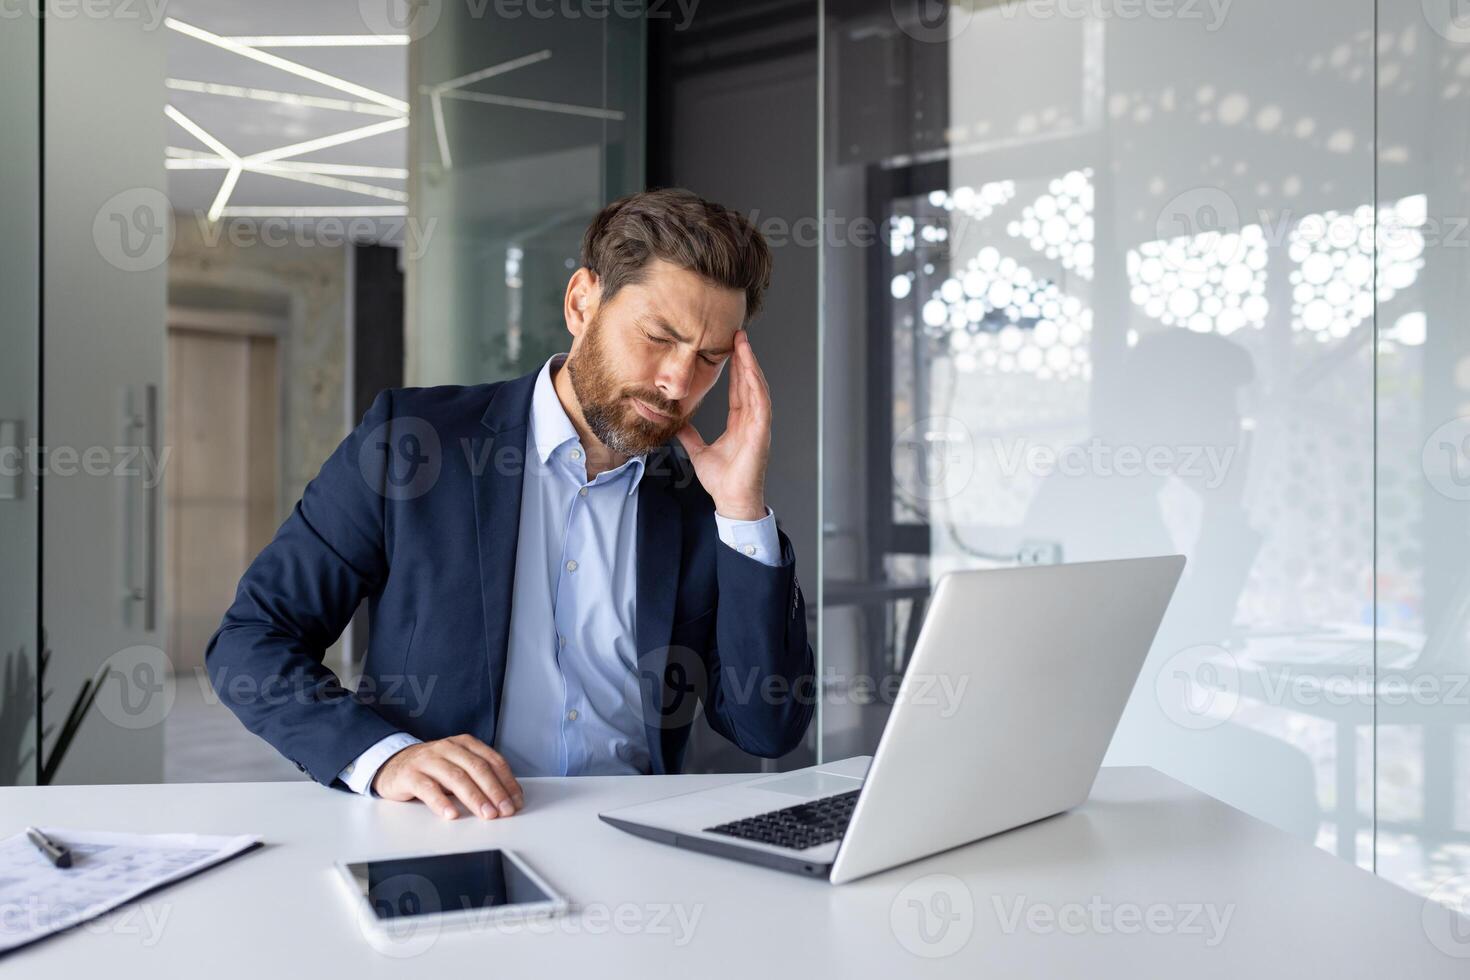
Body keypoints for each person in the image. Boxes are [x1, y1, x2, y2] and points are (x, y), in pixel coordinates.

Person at [206, 188, 815, 820]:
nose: (678, 382)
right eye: (660, 336)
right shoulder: (413, 442)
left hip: (638, 856)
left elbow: (766, 728)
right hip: (448, 837)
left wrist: (743, 513)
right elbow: (253, 639)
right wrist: (384, 756)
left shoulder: (702, 505)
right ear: (582, 302)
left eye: (710, 358)